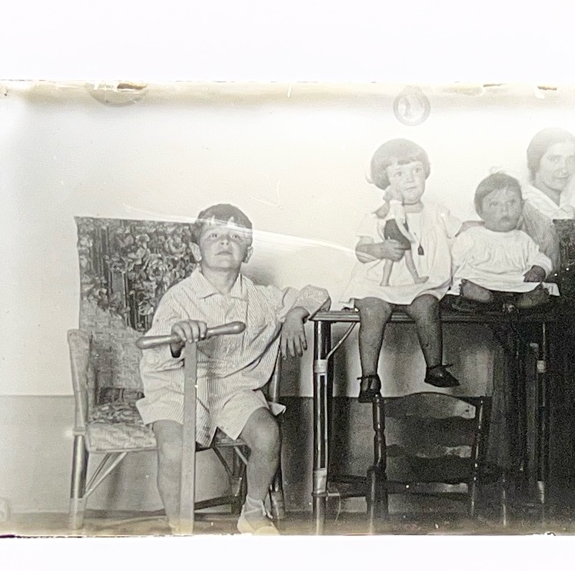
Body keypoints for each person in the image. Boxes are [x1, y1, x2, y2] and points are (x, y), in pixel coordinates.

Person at [137, 204, 329, 535]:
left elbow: (318, 294)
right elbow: (156, 348)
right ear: (196, 249)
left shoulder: (261, 298)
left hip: (233, 389)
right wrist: (179, 336)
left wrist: (296, 313)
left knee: (268, 434)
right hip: (178, 386)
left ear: (249, 251)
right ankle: (178, 525)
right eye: (214, 235)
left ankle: (253, 511)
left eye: (235, 237)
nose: (225, 242)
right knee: (171, 449)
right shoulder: (180, 297)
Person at [342, 138, 462, 403]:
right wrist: (379, 250)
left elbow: (462, 232)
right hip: (380, 285)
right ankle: (370, 377)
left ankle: (434, 367)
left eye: (416, 170)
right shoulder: (378, 215)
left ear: (426, 173)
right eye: (399, 173)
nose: (410, 179)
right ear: (384, 181)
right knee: (372, 310)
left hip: (419, 283)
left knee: (428, 305)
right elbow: (361, 252)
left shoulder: (436, 212)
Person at [444, 172, 556, 312]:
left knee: (544, 290)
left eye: (511, 202)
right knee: (462, 288)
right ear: (480, 210)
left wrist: (538, 270)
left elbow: (541, 259)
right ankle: (503, 302)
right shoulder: (471, 236)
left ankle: (517, 301)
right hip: (480, 283)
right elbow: (452, 263)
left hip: (513, 285)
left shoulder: (523, 239)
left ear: (521, 206)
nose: (504, 209)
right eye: (494, 204)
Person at [517, 127, 575, 267]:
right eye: (554, 159)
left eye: (570, 160)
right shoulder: (519, 210)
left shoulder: (573, 214)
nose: (564, 168)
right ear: (535, 162)